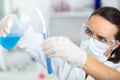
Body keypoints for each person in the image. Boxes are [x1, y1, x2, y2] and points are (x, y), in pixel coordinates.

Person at [0, 7, 120, 80]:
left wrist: (82, 59)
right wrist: (16, 27)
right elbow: (34, 42)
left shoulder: (116, 69)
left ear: (115, 45)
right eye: (89, 31)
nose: (91, 40)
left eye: (102, 39)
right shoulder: (69, 57)